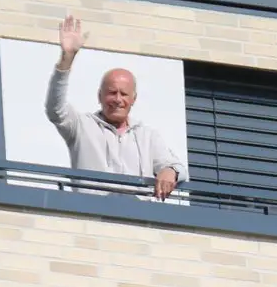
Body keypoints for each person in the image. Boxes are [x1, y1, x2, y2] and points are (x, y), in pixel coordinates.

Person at [46, 15, 188, 200]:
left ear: (133, 99)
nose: (117, 99)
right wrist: (66, 60)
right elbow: (55, 109)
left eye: (124, 94)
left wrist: (170, 171)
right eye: (112, 93)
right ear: (100, 96)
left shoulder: (147, 136)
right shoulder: (81, 126)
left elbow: (178, 168)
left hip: (137, 219)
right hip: (92, 217)